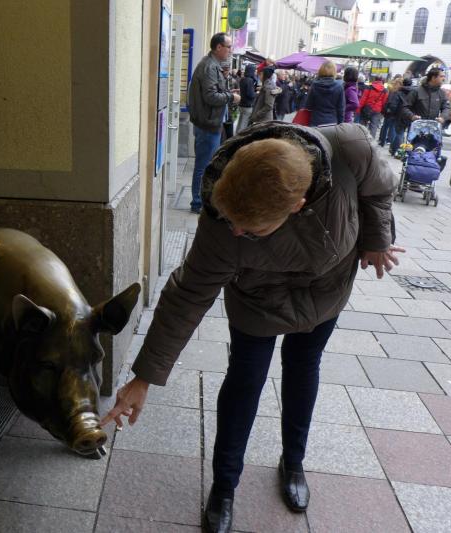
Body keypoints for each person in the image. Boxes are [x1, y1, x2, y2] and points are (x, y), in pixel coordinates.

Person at [101, 122, 401, 533]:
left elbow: (379, 191)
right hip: (257, 298)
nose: (237, 232)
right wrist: (143, 378)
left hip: (327, 288)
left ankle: (293, 462)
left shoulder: (351, 148)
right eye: (233, 223)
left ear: (297, 205)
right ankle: (224, 486)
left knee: (303, 368)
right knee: (245, 380)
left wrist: (377, 240)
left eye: (251, 230)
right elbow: (187, 295)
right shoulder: (223, 219)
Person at [188, 32, 240, 214]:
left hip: (210, 123)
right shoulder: (209, 66)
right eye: (229, 47)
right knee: (203, 166)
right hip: (207, 125)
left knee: (206, 164)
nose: (230, 50)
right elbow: (211, 97)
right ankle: (197, 203)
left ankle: (201, 201)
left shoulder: (212, 65)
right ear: (219, 47)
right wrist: (231, 97)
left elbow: (213, 92)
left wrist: (227, 91)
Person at [305, 61, 345, 126]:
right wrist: (340, 124)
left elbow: (308, 105)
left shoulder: (314, 85)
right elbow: (341, 109)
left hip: (316, 122)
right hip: (332, 123)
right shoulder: (339, 87)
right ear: (334, 71)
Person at [390, 77, 415, 156]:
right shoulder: (415, 92)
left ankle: (397, 150)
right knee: (410, 135)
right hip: (411, 115)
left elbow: (393, 105)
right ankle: (407, 152)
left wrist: (393, 114)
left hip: (400, 115)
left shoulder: (398, 93)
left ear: (403, 83)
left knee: (400, 133)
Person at [378, 77, 402, 147]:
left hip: (390, 112)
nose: (394, 84)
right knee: (392, 128)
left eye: (396, 83)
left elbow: (389, 101)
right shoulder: (401, 92)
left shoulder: (393, 92)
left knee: (386, 127)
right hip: (396, 113)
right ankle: (390, 142)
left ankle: (382, 141)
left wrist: (387, 109)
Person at [236, 64, 258, 132]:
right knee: (243, 125)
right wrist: (257, 93)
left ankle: (237, 135)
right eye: (254, 71)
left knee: (240, 123)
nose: (255, 72)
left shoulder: (243, 79)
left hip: (242, 104)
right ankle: (239, 137)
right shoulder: (249, 80)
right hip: (247, 106)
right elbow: (250, 94)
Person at [221, 60, 238, 141]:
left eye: (226, 69)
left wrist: (234, 107)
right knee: (221, 136)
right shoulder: (217, 79)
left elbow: (237, 95)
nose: (225, 72)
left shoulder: (233, 81)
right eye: (223, 70)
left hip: (230, 110)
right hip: (220, 111)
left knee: (229, 135)